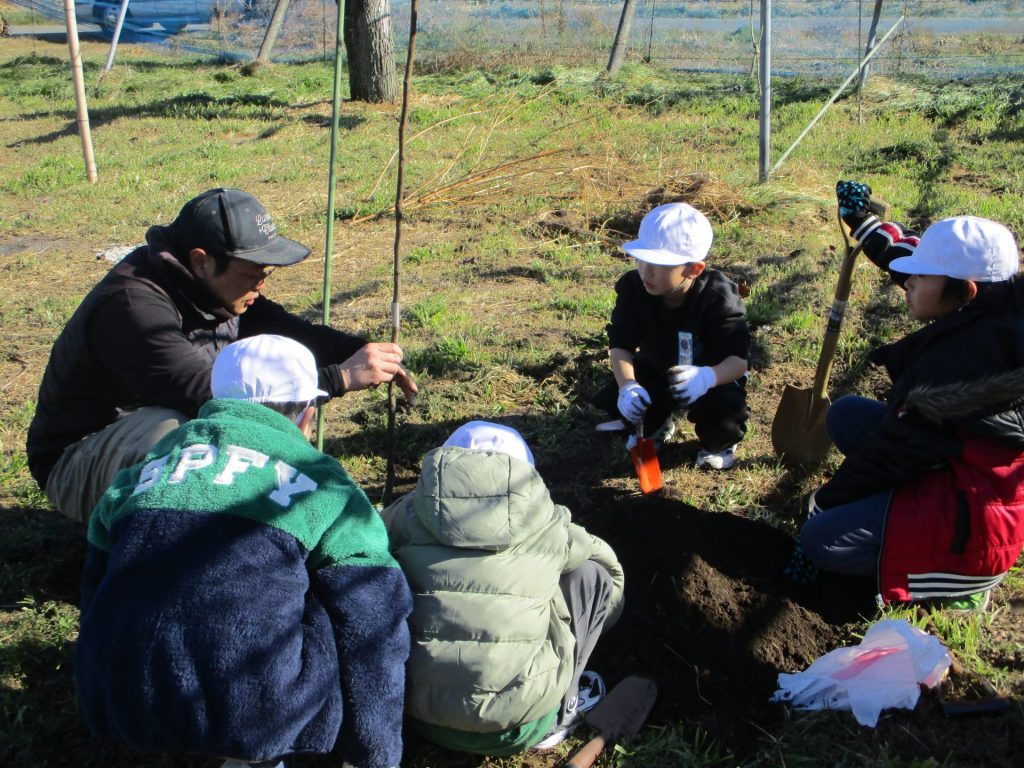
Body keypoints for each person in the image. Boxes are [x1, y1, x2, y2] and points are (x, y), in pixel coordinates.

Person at [76, 334, 413, 768]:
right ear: (308, 415)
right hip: (259, 715)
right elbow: (373, 618)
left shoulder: (141, 474)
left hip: (120, 703)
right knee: (341, 590)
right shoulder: (326, 486)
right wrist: (376, 754)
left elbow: (96, 593)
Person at [27, 187, 417, 524]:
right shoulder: (133, 308)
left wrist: (358, 351)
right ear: (201, 260)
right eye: (251, 274)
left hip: (154, 425)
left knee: (213, 430)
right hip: (78, 458)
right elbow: (211, 396)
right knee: (186, 436)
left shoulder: (212, 289)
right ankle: (158, 550)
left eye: (266, 272)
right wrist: (339, 379)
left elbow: (292, 331)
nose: (261, 284)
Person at [800, 180, 1024, 610]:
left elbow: (889, 453)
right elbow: (913, 260)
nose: (908, 282)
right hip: (960, 465)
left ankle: (956, 585)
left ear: (967, 291)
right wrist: (866, 225)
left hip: (979, 526)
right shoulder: (1000, 305)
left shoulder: (952, 377)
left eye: (920, 277)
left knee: (820, 540)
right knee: (846, 415)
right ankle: (901, 509)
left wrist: (823, 503)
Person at [380, 421, 625, 755]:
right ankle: (564, 709)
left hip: (416, 711)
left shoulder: (406, 512)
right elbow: (609, 576)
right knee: (590, 574)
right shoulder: (548, 520)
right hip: (519, 726)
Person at [594, 202, 750, 470]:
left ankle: (721, 443)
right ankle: (658, 423)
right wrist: (627, 386)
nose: (645, 271)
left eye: (658, 265)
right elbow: (620, 345)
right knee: (616, 401)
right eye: (641, 259)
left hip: (711, 377)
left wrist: (707, 377)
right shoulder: (634, 288)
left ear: (693, 269)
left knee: (724, 415)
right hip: (658, 366)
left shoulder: (718, 297)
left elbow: (739, 361)